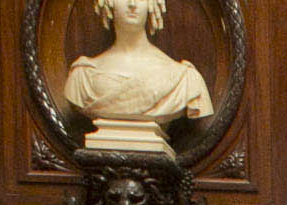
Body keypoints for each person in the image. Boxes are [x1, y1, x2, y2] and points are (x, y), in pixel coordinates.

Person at [62, 0, 213, 127]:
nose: (132, 4)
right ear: (109, 2)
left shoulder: (184, 79)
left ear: (152, 3)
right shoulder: (82, 77)